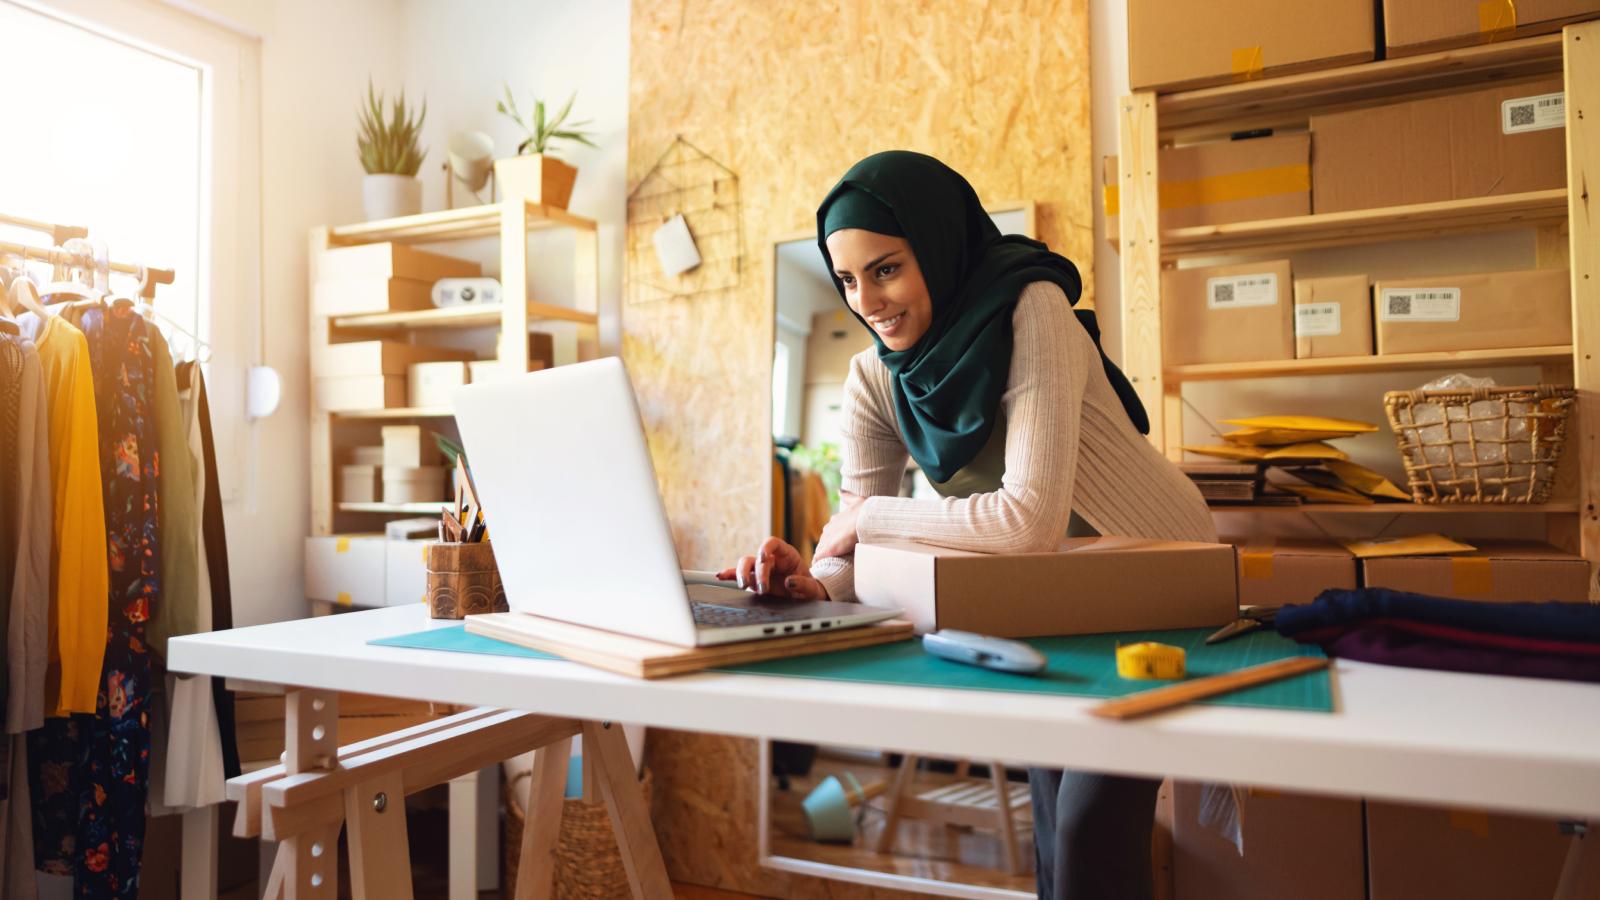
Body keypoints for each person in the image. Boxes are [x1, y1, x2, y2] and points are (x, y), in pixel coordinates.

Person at [718, 150, 1216, 899]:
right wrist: (812, 584)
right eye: (848, 281)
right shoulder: (872, 382)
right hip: (1052, 598)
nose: (869, 302)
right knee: (1050, 818)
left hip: (1159, 577)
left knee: (1090, 830)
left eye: (886, 269)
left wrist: (868, 520)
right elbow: (851, 552)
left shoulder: (1032, 309)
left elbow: (1026, 522)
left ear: (940, 245)